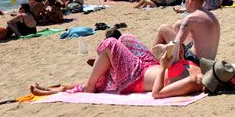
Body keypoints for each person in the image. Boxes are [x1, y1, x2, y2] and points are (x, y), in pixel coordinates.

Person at [29, 34, 215, 98]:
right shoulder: (198, 68)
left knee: (111, 43)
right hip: (146, 66)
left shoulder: (193, 81)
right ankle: (70, 85)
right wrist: (174, 53)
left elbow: (158, 93)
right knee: (126, 38)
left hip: (136, 79)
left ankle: (87, 86)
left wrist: (165, 67)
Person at [153, 0, 221, 65]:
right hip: (210, 61)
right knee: (178, 24)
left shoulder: (190, 18)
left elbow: (175, 45)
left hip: (195, 61)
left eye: (185, 1)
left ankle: (152, 61)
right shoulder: (211, 15)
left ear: (191, 0)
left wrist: (162, 47)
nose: (185, 4)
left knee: (163, 28)